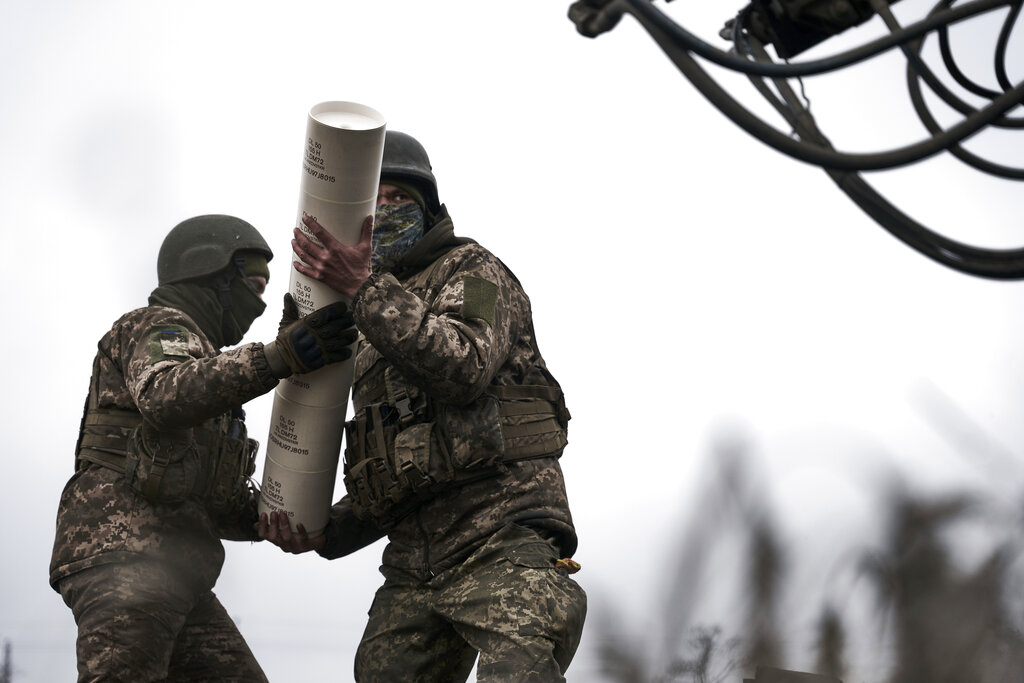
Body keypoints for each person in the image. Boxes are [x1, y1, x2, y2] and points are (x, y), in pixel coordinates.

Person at [258, 131, 587, 682]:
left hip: (502, 541)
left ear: (428, 209)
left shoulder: (477, 274)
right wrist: (324, 531)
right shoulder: (364, 327)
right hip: (414, 564)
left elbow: (465, 365)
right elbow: (398, 463)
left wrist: (364, 289)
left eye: (399, 200)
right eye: (375, 201)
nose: (385, 210)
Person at [50, 214, 358, 682]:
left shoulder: (212, 374)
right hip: (125, 559)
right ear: (212, 274)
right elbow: (164, 394)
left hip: (178, 572)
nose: (258, 305)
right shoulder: (158, 327)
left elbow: (220, 501)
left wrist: (284, 520)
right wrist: (278, 356)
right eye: (252, 286)